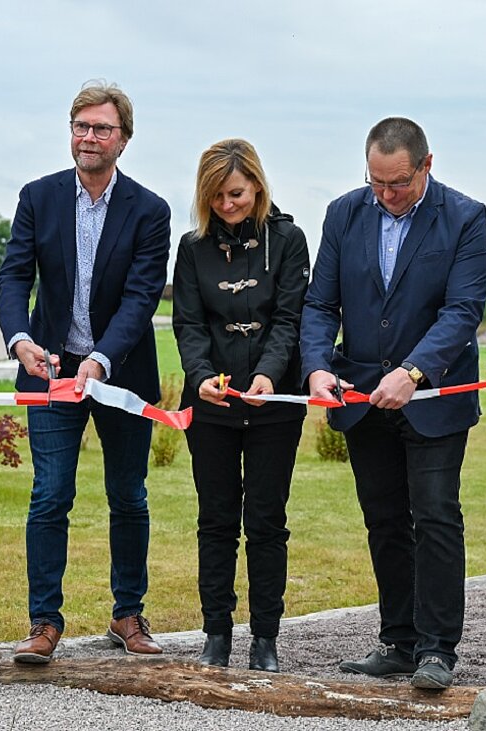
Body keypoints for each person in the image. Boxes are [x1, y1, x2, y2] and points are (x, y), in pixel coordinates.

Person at [299, 117, 486, 690]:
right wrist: (315, 366)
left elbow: (463, 311)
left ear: (427, 165)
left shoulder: (464, 217)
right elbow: (318, 303)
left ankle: (437, 650)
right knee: (383, 520)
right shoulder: (343, 213)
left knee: (434, 517)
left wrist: (414, 371)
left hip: (432, 399)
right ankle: (399, 641)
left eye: (399, 184)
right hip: (360, 396)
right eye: (377, 183)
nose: (387, 195)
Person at [0, 80, 171, 663]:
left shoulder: (149, 210)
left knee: (129, 496)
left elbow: (142, 297)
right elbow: (14, 276)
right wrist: (20, 339)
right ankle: (44, 624)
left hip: (120, 374)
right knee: (50, 496)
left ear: (124, 139)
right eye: (81, 126)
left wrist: (101, 359)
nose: (89, 138)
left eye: (101, 129)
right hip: (49, 372)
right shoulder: (37, 196)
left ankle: (128, 615)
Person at [172, 139, 310, 673]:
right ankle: (216, 633)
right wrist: (202, 376)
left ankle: (266, 638)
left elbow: (289, 320)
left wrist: (267, 376)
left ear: (256, 184)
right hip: (210, 407)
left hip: (273, 402)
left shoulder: (290, 240)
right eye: (216, 196)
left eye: (235, 193)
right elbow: (188, 322)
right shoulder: (192, 246)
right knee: (217, 520)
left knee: (267, 521)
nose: (227, 205)